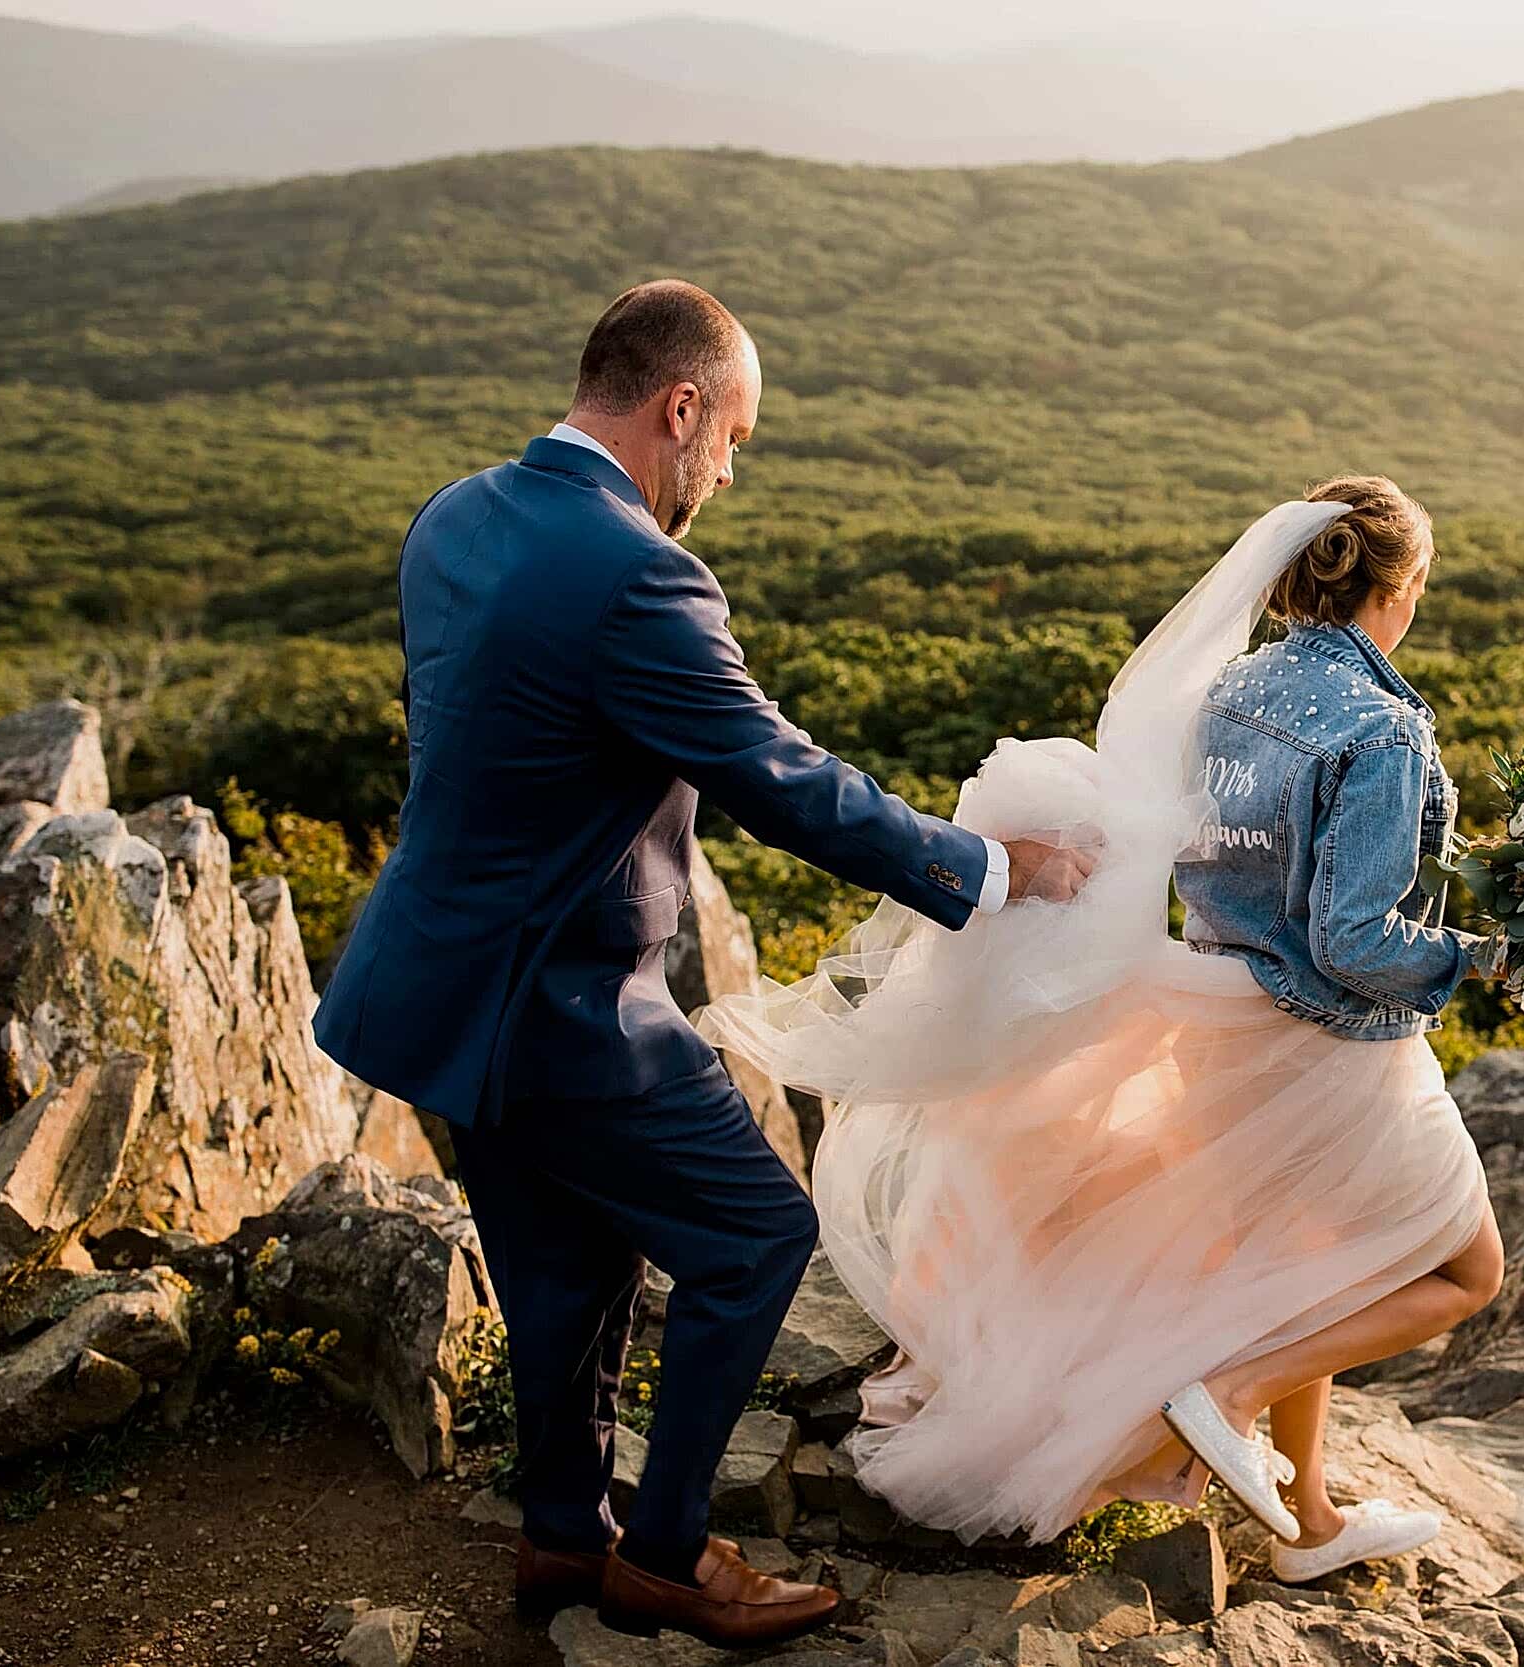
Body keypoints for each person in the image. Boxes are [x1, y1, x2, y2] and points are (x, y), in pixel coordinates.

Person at [312, 279, 1092, 1649]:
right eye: (731, 433)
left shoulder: (456, 517)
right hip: (560, 1000)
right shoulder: (639, 572)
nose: (727, 468)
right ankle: (665, 1554)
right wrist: (993, 867)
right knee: (754, 1231)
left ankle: (563, 1535)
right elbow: (785, 781)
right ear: (679, 407)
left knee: (570, 1259)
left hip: (434, 986)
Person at [698, 475, 1505, 1583]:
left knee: (1298, 1261)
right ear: (1400, 588)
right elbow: (1355, 938)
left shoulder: (1229, 692)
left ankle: (1311, 1517)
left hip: (1221, 1022)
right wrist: (1478, 957)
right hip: (1330, 1046)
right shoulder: (1384, 724)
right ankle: (1224, 1395)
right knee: (1467, 1269)